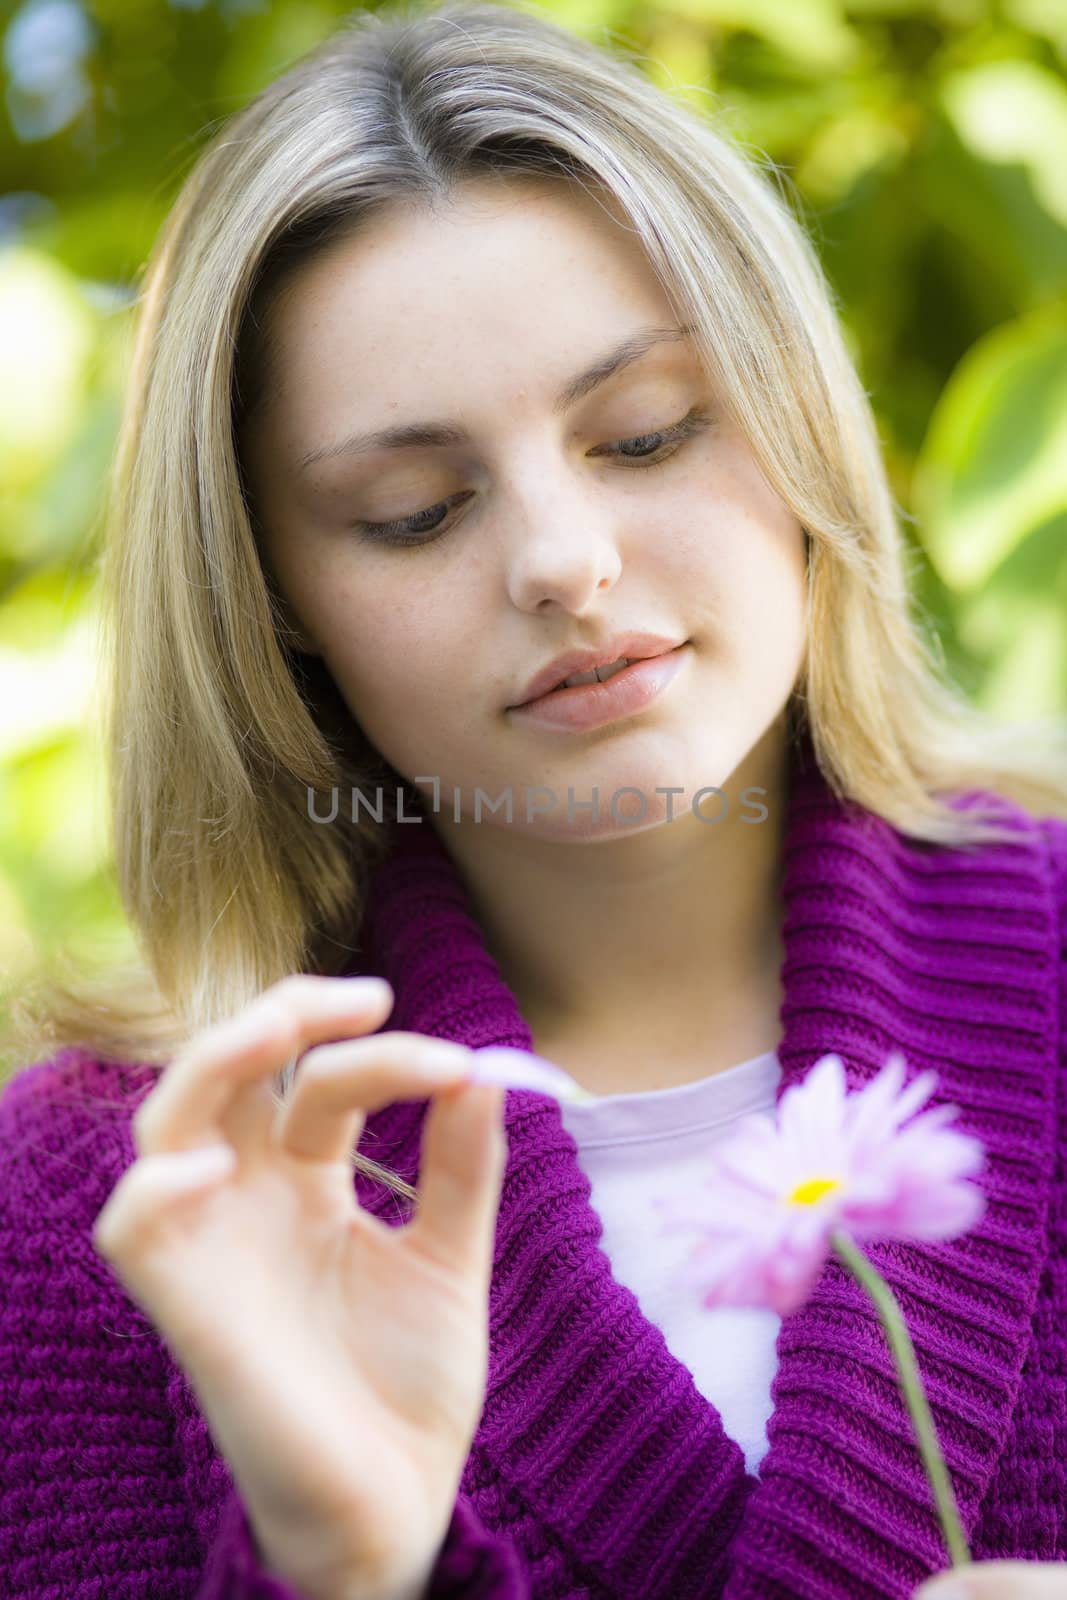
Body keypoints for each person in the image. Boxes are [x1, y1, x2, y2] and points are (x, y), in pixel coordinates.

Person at [1, 1, 1065, 1596]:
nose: (565, 561)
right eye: (415, 513)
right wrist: (344, 1569)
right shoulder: (102, 1215)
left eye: (646, 432)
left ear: (794, 419)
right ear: (274, 592)